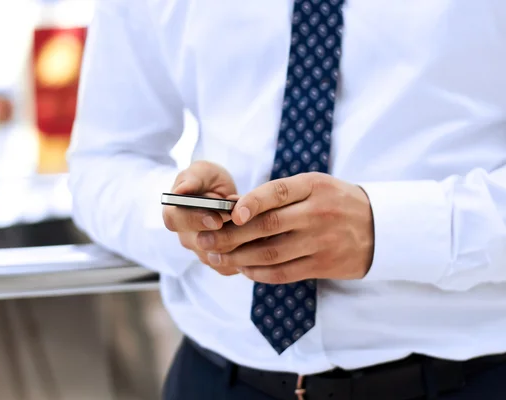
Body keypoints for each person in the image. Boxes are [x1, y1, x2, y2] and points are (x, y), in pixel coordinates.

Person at [67, 0, 506, 399]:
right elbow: (104, 162)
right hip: (215, 378)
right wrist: (182, 215)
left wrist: (387, 231)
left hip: (472, 379)